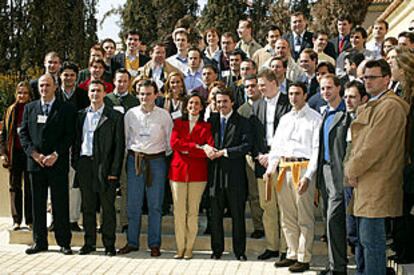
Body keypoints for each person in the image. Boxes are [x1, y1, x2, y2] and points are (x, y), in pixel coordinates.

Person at [344, 59, 409, 275]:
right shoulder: (377, 103)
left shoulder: (390, 106)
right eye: (365, 77)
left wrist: (351, 170)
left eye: (373, 77)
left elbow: (373, 147)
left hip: (378, 183)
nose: (367, 82)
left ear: (387, 79)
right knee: (365, 242)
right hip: (367, 183)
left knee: (372, 245)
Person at [265, 82, 321, 272]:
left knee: (304, 216)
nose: (293, 97)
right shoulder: (285, 118)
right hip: (284, 167)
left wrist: (309, 175)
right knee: (287, 215)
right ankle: (292, 252)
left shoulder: (315, 118)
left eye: (297, 93)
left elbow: (316, 150)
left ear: (305, 95)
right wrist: (271, 168)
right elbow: (277, 146)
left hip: (303, 168)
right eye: (290, 93)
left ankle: (304, 257)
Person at [19, 74, 76, 255]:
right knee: (37, 204)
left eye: (48, 85)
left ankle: (64, 242)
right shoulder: (30, 108)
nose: (44, 89)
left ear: (55, 87)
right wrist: (34, 154)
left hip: (57, 163)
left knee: (60, 203)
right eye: (41, 85)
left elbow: (70, 135)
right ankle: (39, 242)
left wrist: (55, 154)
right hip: (35, 164)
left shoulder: (66, 109)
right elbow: (24, 134)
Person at [118, 80, 173, 257]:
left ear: (156, 95)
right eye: (142, 94)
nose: (145, 97)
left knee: (155, 205)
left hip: (156, 161)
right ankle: (132, 242)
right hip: (135, 161)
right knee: (133, 204)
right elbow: (127, 139)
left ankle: (154, 243)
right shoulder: (130, 114)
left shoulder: (164, 115)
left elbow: (169, 142)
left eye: (148, 94)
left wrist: (158, 156)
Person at [72, 80, 124, 256]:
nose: (95, 94)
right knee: (87, 207)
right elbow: (76, 141)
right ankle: (89, 243)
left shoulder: (114, 116)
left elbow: (119, 147)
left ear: (104, 93)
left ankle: (109, 244)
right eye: (92, 91)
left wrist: (114, 172)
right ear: (88, 94)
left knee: (107, 208)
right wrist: (76, 164)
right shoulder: (80, 116)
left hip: (105, 166)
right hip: (85, 164)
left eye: (98, 91)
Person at [208, 88, 251, 261]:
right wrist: (207, 148)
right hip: (215, 175)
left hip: (235, 175)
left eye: (225, 101)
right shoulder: (211, 121)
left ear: (232, 102)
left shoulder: (243, 121)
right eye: (219, 102)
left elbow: (246, 145)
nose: (222, 105)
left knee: (237, 215)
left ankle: (239, 251)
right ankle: (217, 250)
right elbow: (203, 140)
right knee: (215, 215)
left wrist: (225, 152)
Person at [251, 69, 291, 261]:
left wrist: (274, 155)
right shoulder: (256, 105)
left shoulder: (287, 103)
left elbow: (290, 135)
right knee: (267, 206)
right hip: (262, 163)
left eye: (263, 85)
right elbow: (254, 136)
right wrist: (259, 155)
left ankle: (286, 248)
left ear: (274, 83)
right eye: (259, 85)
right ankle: (272, 246)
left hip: (282, 163)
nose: (260, 88)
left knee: (284, 207)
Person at [169, 93, 214, 259]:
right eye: (190, 103)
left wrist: (188, 149)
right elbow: (174, 143)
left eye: (197, 104)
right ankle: (180, 247)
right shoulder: (178, 123)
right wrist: (197, 146)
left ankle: (189, 247)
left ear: (201, 107)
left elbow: (209, 150)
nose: (193, 107)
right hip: (177, 172)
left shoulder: (206, 127)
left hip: (197, 174)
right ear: (186, 106)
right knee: (179, 211)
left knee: (193, 211)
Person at [316, 74, 347, 275]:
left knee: (333, 219)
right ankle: (332, 262)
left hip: (340, 174)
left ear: (338, 88)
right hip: (325, 171)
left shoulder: (347, 113)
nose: (326, 92)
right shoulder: (325, 113)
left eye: (329, 88)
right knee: (328, 219)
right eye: (323, 89)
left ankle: (339, 267)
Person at [104, 68, 139, 232]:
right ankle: (106, 221)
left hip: (127, 149)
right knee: (106, 187)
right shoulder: (106, 100)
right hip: (108, 150)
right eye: (119, 81)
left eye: (125, 81)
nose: (122, 84)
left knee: (126, 186)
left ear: (129, 82)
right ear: (114, 82)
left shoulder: (135, 101)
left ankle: (125, 221)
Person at [57, 61, 90, 232]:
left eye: (72, 75)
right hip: (56, 148)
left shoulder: (84, 96)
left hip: (77, 146)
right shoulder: (53, 94)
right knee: (55, 185)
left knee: (74, 185)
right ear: (60, 76)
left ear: (77, 78)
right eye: (65, 75)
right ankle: (56, 219)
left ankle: (72, 219)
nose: (68, 78)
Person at [0, 82, 33, 231]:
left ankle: (31, 220)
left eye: (25, 93)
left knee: (30, 187)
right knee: (15, 187)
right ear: (16, 94)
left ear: (29, 95)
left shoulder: (33, 108)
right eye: (20, 93)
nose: (22, 96)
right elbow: (5, 135)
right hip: (14, 153)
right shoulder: (10, 111)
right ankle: (17, 220)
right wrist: (3, 153)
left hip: (30, 153)